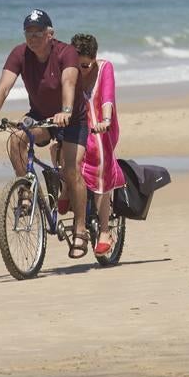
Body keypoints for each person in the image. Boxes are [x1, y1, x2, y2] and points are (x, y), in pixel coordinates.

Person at [0, 10, 91, 259]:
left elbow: (69, 84)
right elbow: (4, 86)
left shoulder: (66, 52)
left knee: (71, 170)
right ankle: (26, 191)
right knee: (17, 139)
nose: (32, 38)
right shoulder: (20, 54)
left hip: (72, 118)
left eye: (38, 33)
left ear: (50, 34)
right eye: (28, 33)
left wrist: (65, 111)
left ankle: (81, 229)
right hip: (42, 117)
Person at [72, 33, 125, 256]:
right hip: (79, 128)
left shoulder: (105, 69)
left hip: (101, 130)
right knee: (60, 153)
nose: (81, 70)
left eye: (85, 65)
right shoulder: (71, 71)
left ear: (94, 59)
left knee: (101, 160)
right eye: (77, 65)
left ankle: (105, 231)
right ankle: (68, 192)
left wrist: (105, 120)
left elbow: (107, 98)